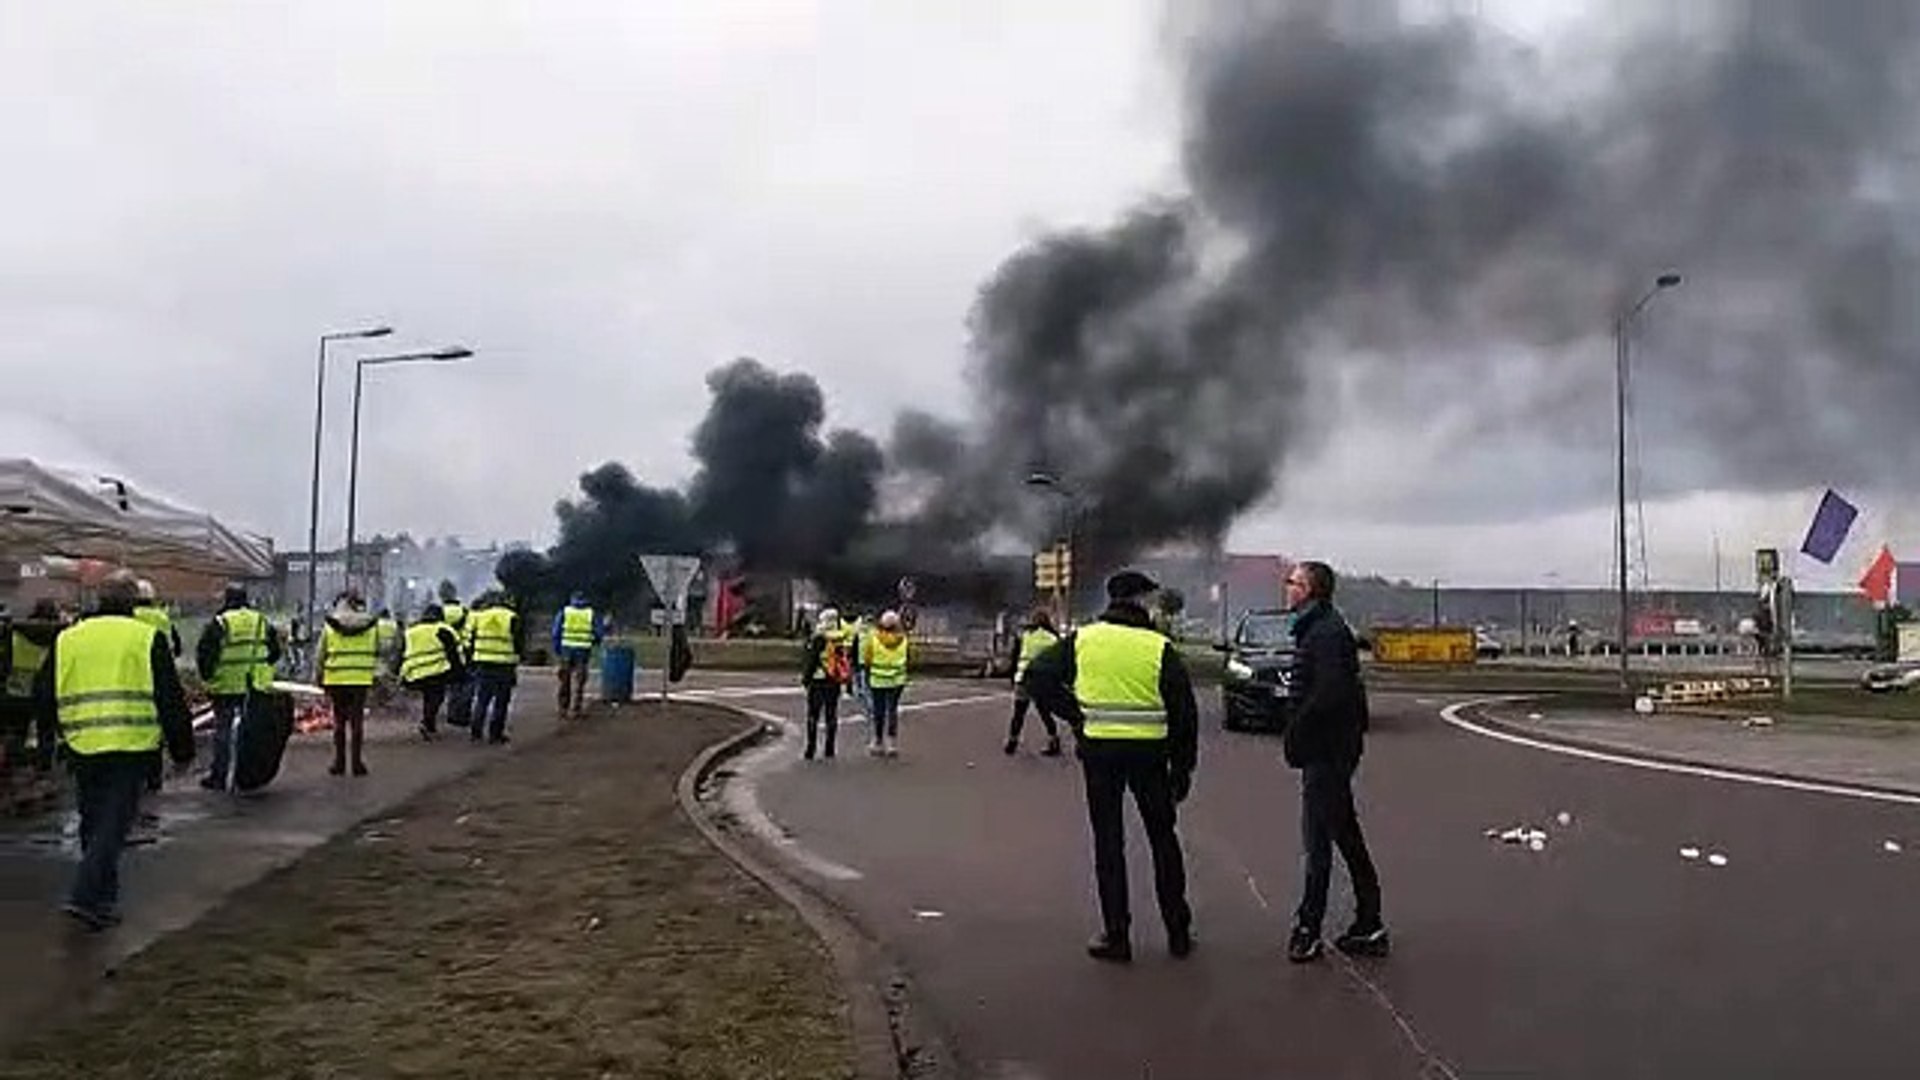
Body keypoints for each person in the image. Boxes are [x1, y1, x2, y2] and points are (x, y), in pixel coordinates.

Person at [1024, 569, 1197, 964]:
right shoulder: (1158, 648)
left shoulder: (1084, 640)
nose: (1155, 605)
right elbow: (1185, 715)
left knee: (1109, 843)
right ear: (1137, 600)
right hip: (1151, 756)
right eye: (1150, 598)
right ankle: (1178, 932)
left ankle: (1117, 935)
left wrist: (1077, 715)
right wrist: (1183, 768)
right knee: (1163, 840)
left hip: (1100, 753)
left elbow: (1038, 677)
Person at [33, 571, 194, 930]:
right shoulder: (145, 638)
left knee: (93, 821)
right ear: (133, 601)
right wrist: (183, 749)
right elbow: (170, 698)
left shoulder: (68, 638)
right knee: (113, 825)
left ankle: (103, 901)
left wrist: (47, 741)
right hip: (130, 745)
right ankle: (85, 896)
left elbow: (43, 692)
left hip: (82, 744)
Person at [1281, 560, 1386, 963]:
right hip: (1332, 750)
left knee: (1319, 841)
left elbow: (1329, 694)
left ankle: (1309, 929)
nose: (1287, 588)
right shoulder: (1320, 629)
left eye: (1292, 582)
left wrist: (1297, 733)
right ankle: (1369, 921)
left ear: (1308, 590)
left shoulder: (1324, 634)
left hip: (1327, 753)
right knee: (1343, 834)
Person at [194, 583, 281, 791]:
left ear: (227, 600)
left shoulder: (220, 623)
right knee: (251, 731)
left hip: (226, 686)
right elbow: (275, 651)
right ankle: (247, 774)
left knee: (223, 731)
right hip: (255, 686)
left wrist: (208, 677)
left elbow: (205, 654)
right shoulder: (261, 621)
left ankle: (220, 776)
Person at [315, 590, 379, 777]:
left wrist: (319, 676)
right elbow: (376, 652)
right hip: (360, 679)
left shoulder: (330, 626)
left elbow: (321, 654)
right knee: (357, 722)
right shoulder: (370, 626)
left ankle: (339, 763)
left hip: (335, 678)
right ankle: (357, 763)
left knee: (339, 722)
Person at [3, 600, 63, 779]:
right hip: (46, 693)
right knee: (46, 734)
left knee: (16, 734)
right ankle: (42, 771)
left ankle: (12, 769)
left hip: (17, 692)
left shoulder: (14, 633)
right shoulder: (59, 636)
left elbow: (5, 664)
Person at [401, 603, 467, 740]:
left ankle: (429, 724)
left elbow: (401, 652)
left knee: (428, 697)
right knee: (436, 697)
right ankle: (427, 723)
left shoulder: (411, 631)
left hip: (416, 672)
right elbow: (453, 653)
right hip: (436, 670)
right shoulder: (443, 629)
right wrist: (459, 672)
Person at [1005, 607, 1063, 757]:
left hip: (1023, 679)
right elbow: (1057, 662)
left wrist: (1012, 677)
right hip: (1042, 681)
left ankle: (1012, 742)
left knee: (1019, 713)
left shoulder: (1025, 635)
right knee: (1045, 712)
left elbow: (1015, 657)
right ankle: (1054, 741)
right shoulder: (1053, 638)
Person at [467, 593, 522, 745]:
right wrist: (518, 656)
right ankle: (495, 734)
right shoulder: (511, 617)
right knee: (501, 701)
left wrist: (473, 659)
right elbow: (518, 642)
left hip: (483, 663)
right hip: (504, 664)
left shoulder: (480, 617)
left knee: (482, 699)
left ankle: (475, 733)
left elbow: (472, 638)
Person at [800, 607, 852, 760]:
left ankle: (811, 748)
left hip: (818, 681)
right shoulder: (839, 638)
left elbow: (812, 661)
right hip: (833, 680)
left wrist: (805, 679)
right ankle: (830, 748)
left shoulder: (819, 638)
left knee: (813, 716)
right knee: (831, 715)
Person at [861, 610, 910, 756]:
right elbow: (908, 658)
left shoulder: (873, 639)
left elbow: (867, 658)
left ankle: (878, 742)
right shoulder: (903, 639)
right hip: (897, 680)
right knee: (892, 710)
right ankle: (892, 743)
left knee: (879, 711)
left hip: (878, 680)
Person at [551, 592, 604, 720]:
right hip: (583, 650)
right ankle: (576, 708)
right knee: (580, 681)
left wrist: (557, 648)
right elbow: (598, 633)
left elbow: (556, 632)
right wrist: (592, 643)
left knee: (564, 679)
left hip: (566, 650)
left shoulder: (565, 612)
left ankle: (563, 709)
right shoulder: (590, 613)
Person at [440, 586, 474, 730]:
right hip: (464, 652)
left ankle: (451, 713)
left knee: (451, 684)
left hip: (445, 653)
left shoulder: (440, 613)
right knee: (466, 684)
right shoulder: (466, 613)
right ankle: (462, 715)